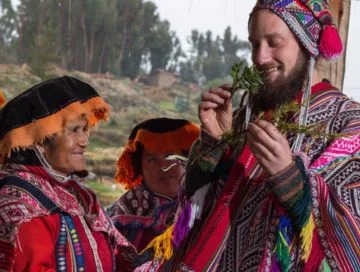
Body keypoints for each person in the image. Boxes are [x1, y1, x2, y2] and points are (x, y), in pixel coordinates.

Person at [141, 1, 360, 271]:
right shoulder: (245, 116)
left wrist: (291, 180)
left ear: (308, 43)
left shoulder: (349, 127)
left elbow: (351, 237)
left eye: (274, 42)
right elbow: (193, 201)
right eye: (255, 44)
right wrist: (214, 142)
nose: (260, 58)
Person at [0, 76, 135, 271]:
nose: (84, 141)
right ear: (40, 141)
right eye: (74, 130)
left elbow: (121, 256)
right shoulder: (22, 201)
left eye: (85, 130)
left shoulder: (82, 196)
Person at [106, 118, 200, 252]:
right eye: (152, 159)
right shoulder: (112, 219)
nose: (163, 166)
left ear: (187, 163)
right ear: (140, 170)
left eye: (170, 156)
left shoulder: (208, 206)